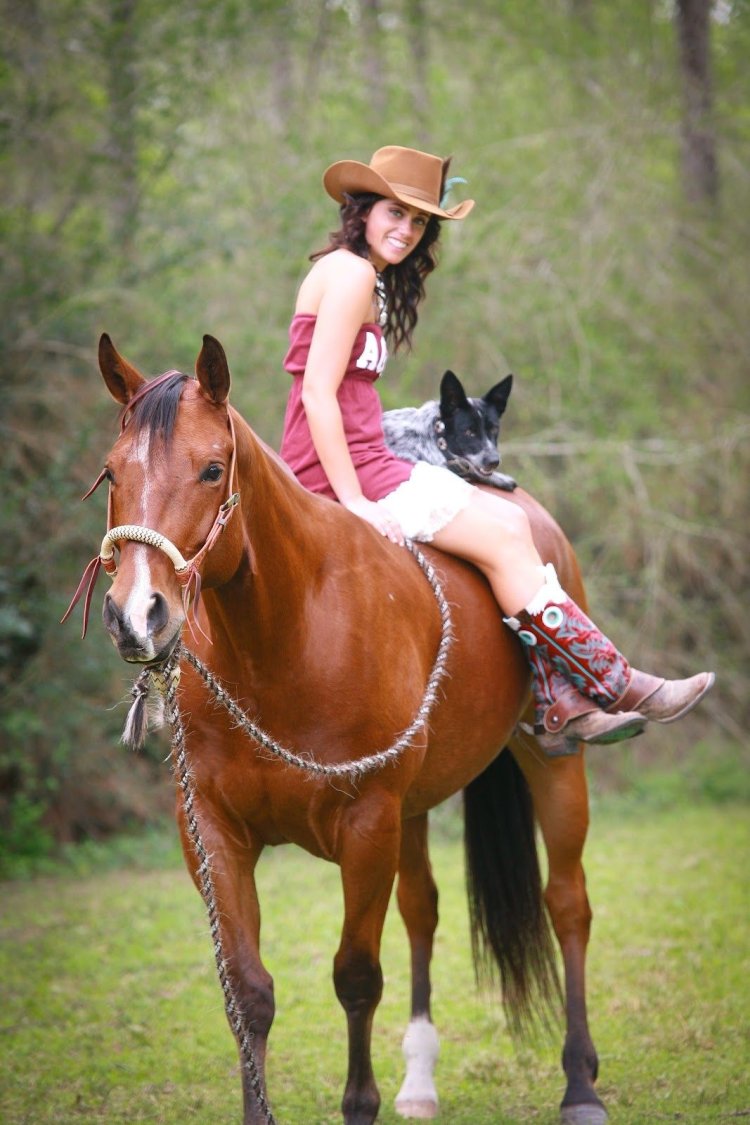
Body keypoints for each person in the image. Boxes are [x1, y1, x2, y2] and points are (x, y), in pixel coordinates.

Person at [280, 145, 714, 753]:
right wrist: (352, 500)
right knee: (508, 534)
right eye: (394, 214)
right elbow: (319, 396)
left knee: (511, 520)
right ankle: (615, 684)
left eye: (419, 221)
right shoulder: (351, 274)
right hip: (344, 471)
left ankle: (562, 699)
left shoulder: (358, 275)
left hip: (368, 457)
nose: (406, 231)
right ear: (362, 210)